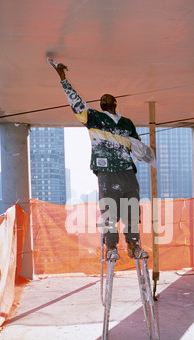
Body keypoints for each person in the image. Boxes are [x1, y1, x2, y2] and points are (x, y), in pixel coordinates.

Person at [53, 63, 148, 261]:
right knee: (109, 211)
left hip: (128, 171)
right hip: (107, 171)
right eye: (101, 98)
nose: (104, 97)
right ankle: (111, 247)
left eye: (108, 97)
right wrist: (63, 78)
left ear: (115, 103)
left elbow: (136, 144)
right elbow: (76, 102)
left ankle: (132, 245)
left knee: (131, 208)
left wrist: (144, 152)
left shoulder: (126, 123)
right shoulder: (94, 118)